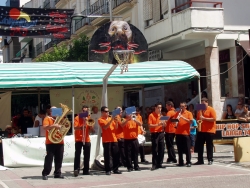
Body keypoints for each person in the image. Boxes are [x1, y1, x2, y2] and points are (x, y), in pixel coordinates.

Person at [42, 106, 65, 180]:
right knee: (49, 158)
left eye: (57, 111)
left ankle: (57, 173)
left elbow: (65, 127)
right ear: (51, 112)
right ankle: (45, 173)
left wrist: (62, 125)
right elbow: (45, 127)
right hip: (50, 142)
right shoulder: (47, 118)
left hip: (60, 141)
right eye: (54, 111)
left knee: (59, 158)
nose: (56, 113)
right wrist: (54, 125)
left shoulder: (61, 119)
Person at [98, 106, 122, 175]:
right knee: (107, 156)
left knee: (116, 155)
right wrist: (111, 119)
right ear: (102, 112)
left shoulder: (111, 118)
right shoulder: (100, 119)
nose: (108, 112)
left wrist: (116, 121)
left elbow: (116, 128)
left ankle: (116, 169)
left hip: (114, 139)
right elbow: (105, 127)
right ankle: (107, 170)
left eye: (108, 111)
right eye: (106, 111)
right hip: (106, 140)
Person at [194, 97, 216, 165]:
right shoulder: (200, 110)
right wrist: (198, 121)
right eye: (202, 103)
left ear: (207, 103)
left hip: (209, 130)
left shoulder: (211, 109)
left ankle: (210, 159)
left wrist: (204, 118)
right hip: (201, 130)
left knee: (209, 145)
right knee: (200, 145)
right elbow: (197, 119)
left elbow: (214, 119)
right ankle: (200, 160)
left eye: (204, 103)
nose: (203, 105)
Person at [73, 105, 94, 177]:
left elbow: (92, 130)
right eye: (84, 111)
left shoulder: (89, 118)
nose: (85, 112)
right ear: (81, 111)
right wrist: (81, 127)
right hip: (79, 139)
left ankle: (86, 170)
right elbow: (75, 128)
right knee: (77, 155)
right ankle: (76, 169)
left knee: (87, 155)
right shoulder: (77, 117)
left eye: (86, 111)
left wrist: (89, 124)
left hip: (87, 139)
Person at [175, 102, 193, 167]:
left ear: (185, 107)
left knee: (187, 148)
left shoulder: (189, 113)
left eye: (182, 106)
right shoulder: (177, 113)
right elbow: (174, 121)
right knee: (179, 148)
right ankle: (180, 162)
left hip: (186, 133)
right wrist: (176, 120)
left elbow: (190, 121)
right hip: (178, 133)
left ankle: (188, 161)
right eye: (180, 106)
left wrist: (183, 117)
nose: (181, 108)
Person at [148, 102, 165, 170]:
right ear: (155, 108)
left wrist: (164, 124)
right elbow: (150, 125)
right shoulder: (151, 115)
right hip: (154, 134)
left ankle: (159, 163)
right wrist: (158, 125)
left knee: (162, 149)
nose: (160, 109)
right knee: (155, 149)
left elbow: (164, 125)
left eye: (160, 108)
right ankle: (154, 164)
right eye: (158, 108)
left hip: (161, 133)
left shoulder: (161, 116)